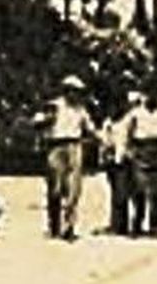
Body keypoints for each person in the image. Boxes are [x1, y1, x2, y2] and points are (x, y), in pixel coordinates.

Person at [32, 75, 96, 241]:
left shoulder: (81, 110)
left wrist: (96, 139)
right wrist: (45, 120)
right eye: (71, 91)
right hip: (56, 145)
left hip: (74, 146)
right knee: (56, 186)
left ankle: (69, 226)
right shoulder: (54, 106)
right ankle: (54, 224)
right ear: (65, 90)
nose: (74, 94)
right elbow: (37, 122)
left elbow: (90, 128)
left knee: (74, 188)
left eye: (77, 92)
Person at [125, 88, 157, 237]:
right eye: (149, 93)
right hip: (140, 149)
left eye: (156, 93)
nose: (152, 97)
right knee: (138, 189)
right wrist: (130, 152)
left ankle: (156, 226)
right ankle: (137, 223)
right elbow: (128, 133)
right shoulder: (136, 113)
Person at [101, 91, 136, 236]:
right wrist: (105, 152)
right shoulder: (108, 122)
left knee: (123, 192)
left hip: (126, 158)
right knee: (115, 192)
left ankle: (124, 225)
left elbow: (133, 137)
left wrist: (131, 151)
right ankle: (116, 223)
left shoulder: (129, 120)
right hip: (112, 159)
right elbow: (105, 141)